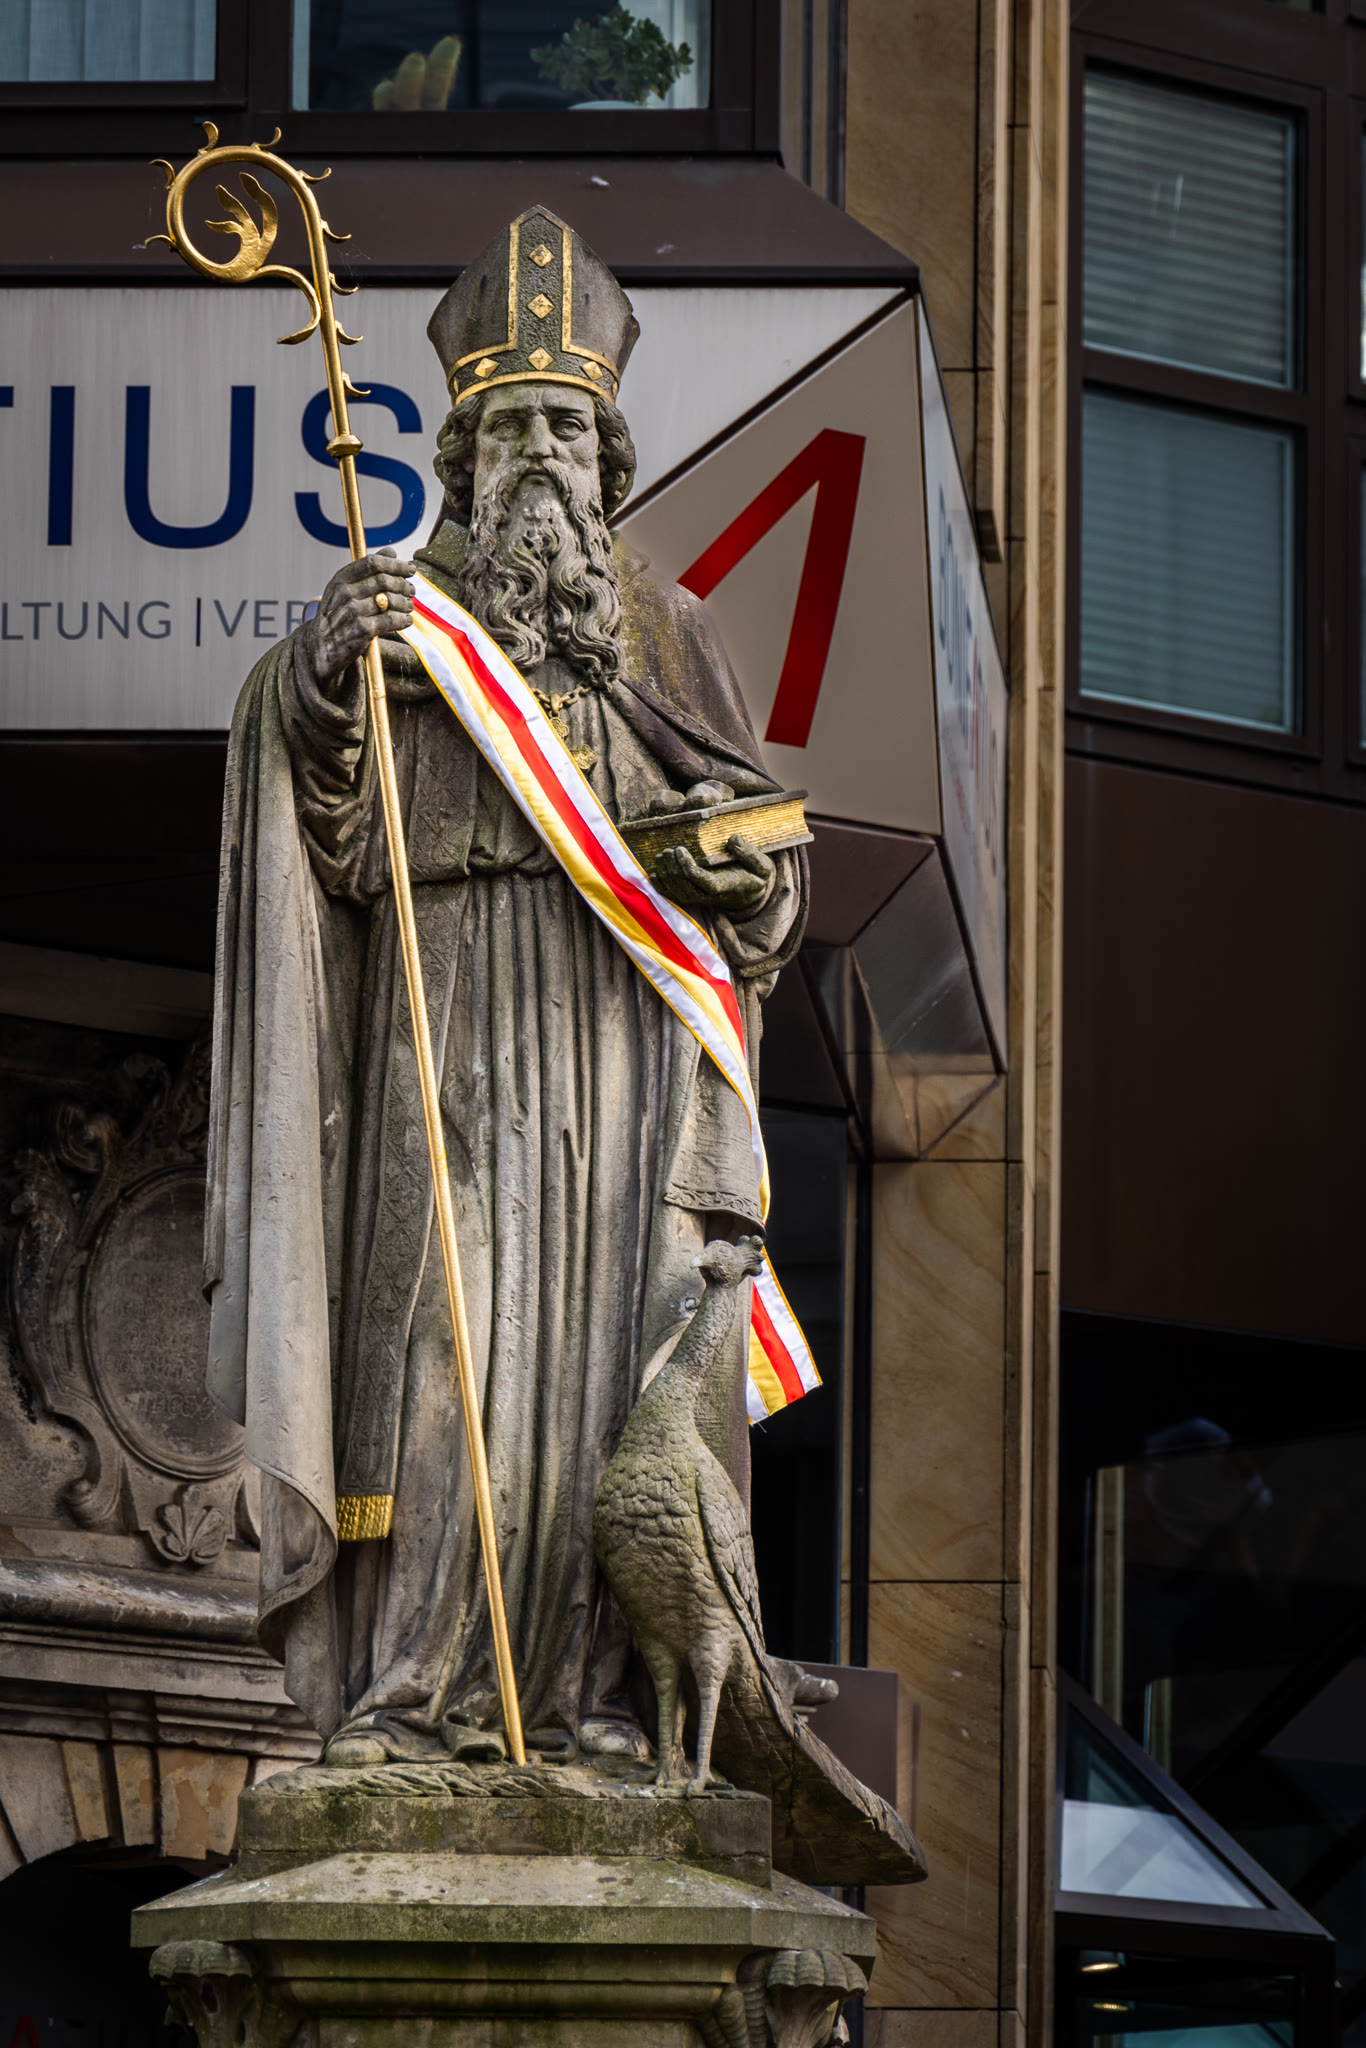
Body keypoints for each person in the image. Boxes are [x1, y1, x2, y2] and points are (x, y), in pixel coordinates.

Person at [205, 207, 807, 1763]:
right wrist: (322, 680)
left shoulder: (670, 635)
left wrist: (738, 871)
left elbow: (766, 862)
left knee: (607, 1373)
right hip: (446, 1013)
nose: (542, 453)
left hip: (617, 1051)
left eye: (567, 427)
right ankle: (411, 1687)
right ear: (463, 459)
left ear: (608, 462)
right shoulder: (396, 616)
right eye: (514, 426)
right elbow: (333, 840)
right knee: (435, 1351)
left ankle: (588, 1700)